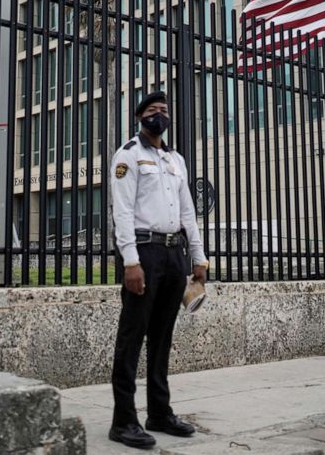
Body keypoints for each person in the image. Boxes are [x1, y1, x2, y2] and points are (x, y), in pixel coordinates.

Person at [108, 91, 209, 450]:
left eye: (164, 111)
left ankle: (159, 412)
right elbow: (121, 212)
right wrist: (131, 262)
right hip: (144, 252)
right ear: (139, 117)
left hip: (173, 253)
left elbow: (187, 212)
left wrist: (199, 257)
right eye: (153, 111)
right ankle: (123, 421)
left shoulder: (175, 159)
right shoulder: (128, 155)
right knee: (132, 335)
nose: (160, 116)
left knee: (162, 336)